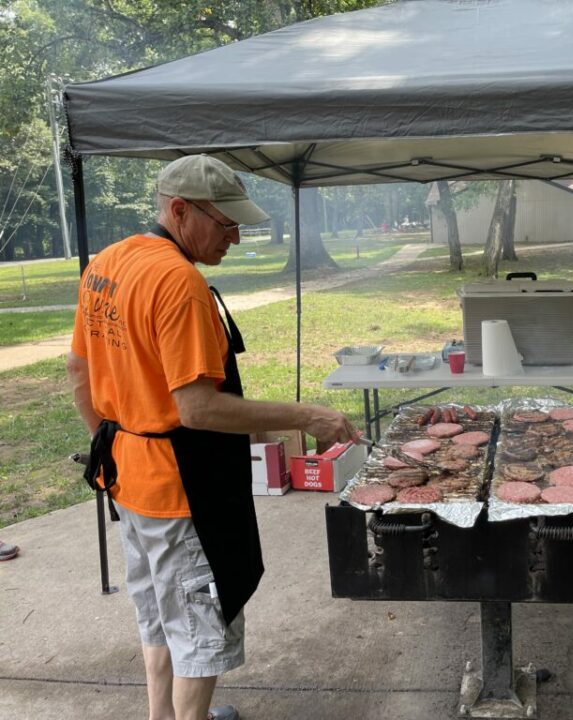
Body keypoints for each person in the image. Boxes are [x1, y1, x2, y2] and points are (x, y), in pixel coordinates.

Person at [67, 154, 359, 720]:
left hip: (130, 481)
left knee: (158, 618)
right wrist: (306, 415)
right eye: (226, 226)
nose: (238, 238)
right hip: (182, 494)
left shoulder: (108, 263)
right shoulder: (178, 281)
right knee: (199, 636)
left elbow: (79, 372)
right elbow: (196, 409)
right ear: (179, 210)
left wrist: (119, 442)